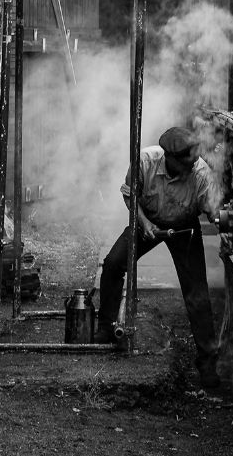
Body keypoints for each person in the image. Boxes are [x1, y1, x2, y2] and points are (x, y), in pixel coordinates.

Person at [95, 127, 224, 389]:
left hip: (184, 229)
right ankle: (106, 328)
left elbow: (214, 212)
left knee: (197, 293)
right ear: (169, 158)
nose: (190, 167)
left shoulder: (201, 174)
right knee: (113, 264)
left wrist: (223, 223)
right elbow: (129, 195)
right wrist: (143, 223)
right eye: (185, 164)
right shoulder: (145, 162)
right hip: (148, 221)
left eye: (192, 162)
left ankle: (207, 363)